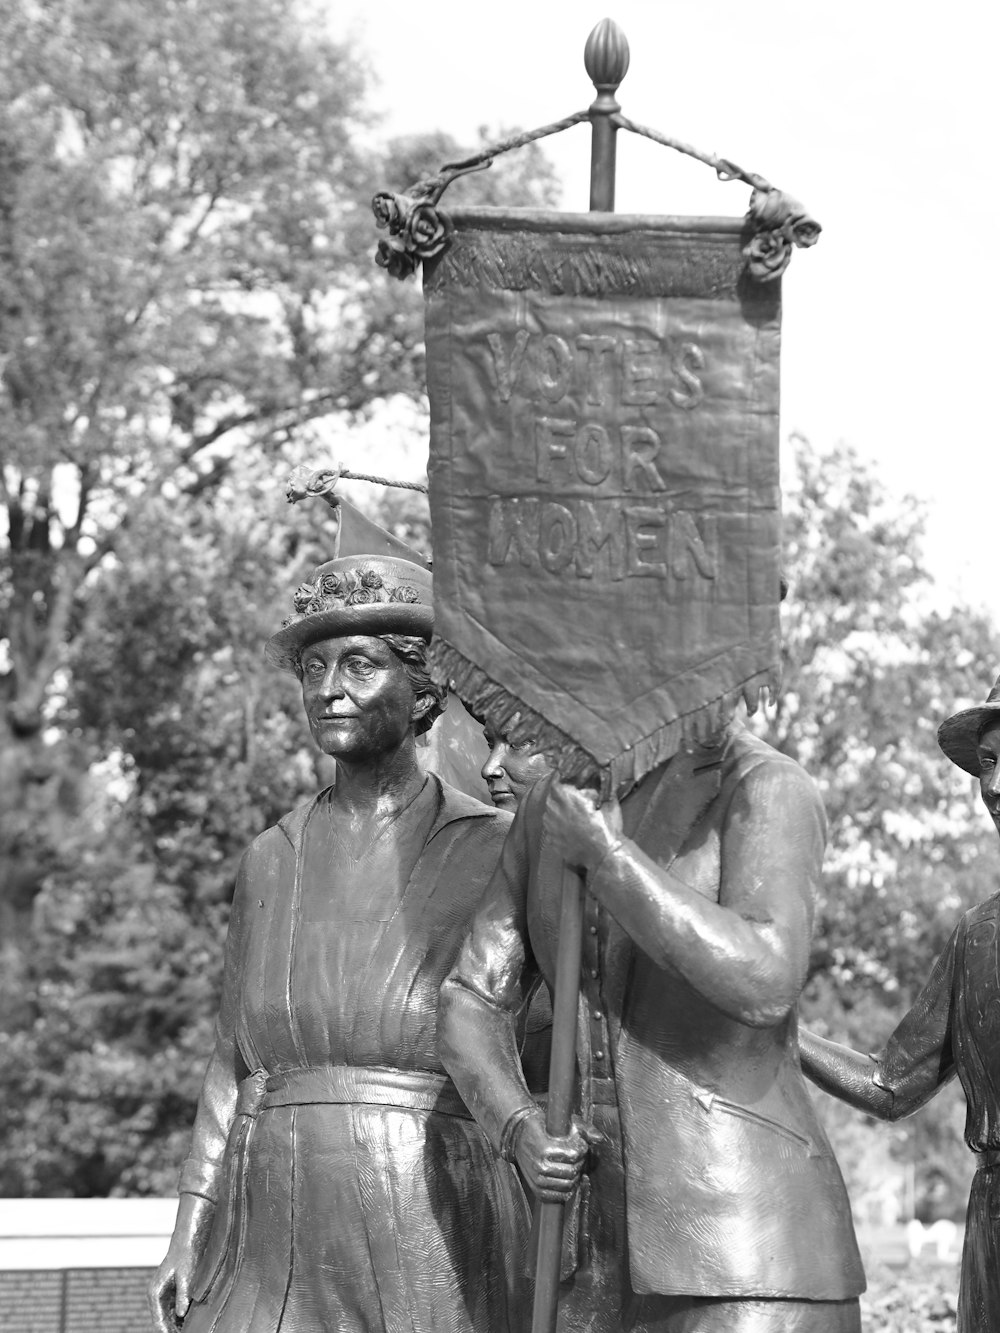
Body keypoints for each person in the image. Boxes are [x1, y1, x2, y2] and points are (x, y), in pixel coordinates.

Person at [149, 552, 529, 1333]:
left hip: (428, 1204)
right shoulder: (270, 855)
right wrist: (189, 1229)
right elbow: (230, 1057)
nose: (329, 688)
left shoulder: (497, 849)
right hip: (268, 1208)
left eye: (359, 665)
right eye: (314, 667)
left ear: (425, 692)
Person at [439, 711, 865, 1333]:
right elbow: (469, 995)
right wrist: (518, 1124)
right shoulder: (547, 811)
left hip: (744, 1249)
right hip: (586, 1246)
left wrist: (609, 859)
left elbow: (767, 976)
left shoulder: (762, 784)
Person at [799, 672, 1000, 1333]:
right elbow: (891, 1081)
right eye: (990, 762)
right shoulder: (977, 936)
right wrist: (773, 1025)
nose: (994, 785)